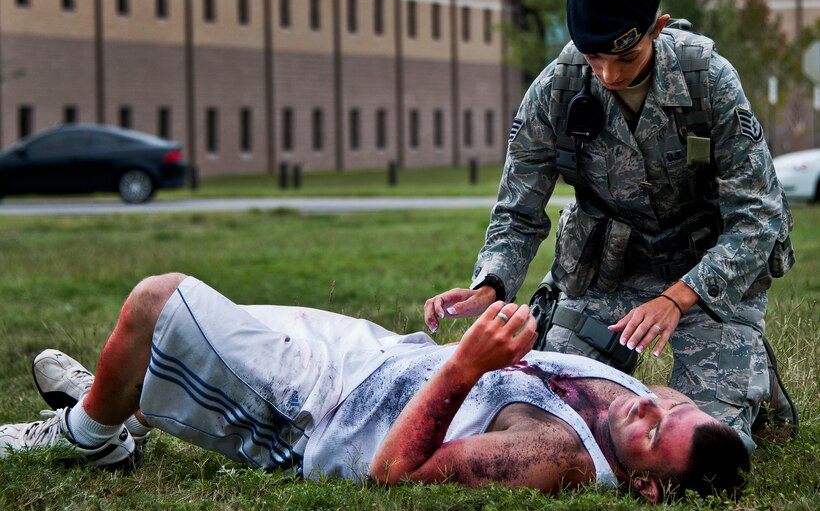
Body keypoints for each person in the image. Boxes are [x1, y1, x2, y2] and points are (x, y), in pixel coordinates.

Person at [423, 0, 797, 452]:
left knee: (697, 447)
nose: (609, 75)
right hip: (608, 271)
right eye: (593, 57)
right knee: (542, 408)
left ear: (657, 29)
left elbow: (758, 219)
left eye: (625, 57)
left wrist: (675, 299)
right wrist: (490, 285)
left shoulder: (707, 79)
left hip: (707, 276)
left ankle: (750, 365)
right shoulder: (557, 88)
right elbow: (518, 211)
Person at [0, 273, 748, 501]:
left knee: (156, 303)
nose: (645, 403)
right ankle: (115, 403)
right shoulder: (628, 396)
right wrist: (486, 306)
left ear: (649, 488)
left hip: (319, 409)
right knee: (176, 336)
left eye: (653, 432)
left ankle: (88, 433)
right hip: (374, 352)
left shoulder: (559, 454)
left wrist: (465, 366)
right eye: (670, 402)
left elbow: (396, 473)